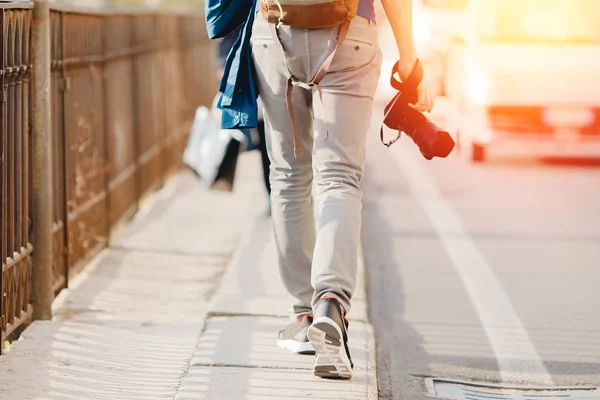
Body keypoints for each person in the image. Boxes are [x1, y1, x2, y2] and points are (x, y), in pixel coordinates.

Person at [207, 0, 434, 380]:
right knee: (340, 177)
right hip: (351, 34)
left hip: (275, 33)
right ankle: (331, 303)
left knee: (287, 176)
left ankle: (303, 315)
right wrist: (409, 55)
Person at [217, 27, 272, 206]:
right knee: (267, 142)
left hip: (257, 66)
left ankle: (273, 195)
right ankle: (272, 194)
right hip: (260, 64)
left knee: (266, 143)